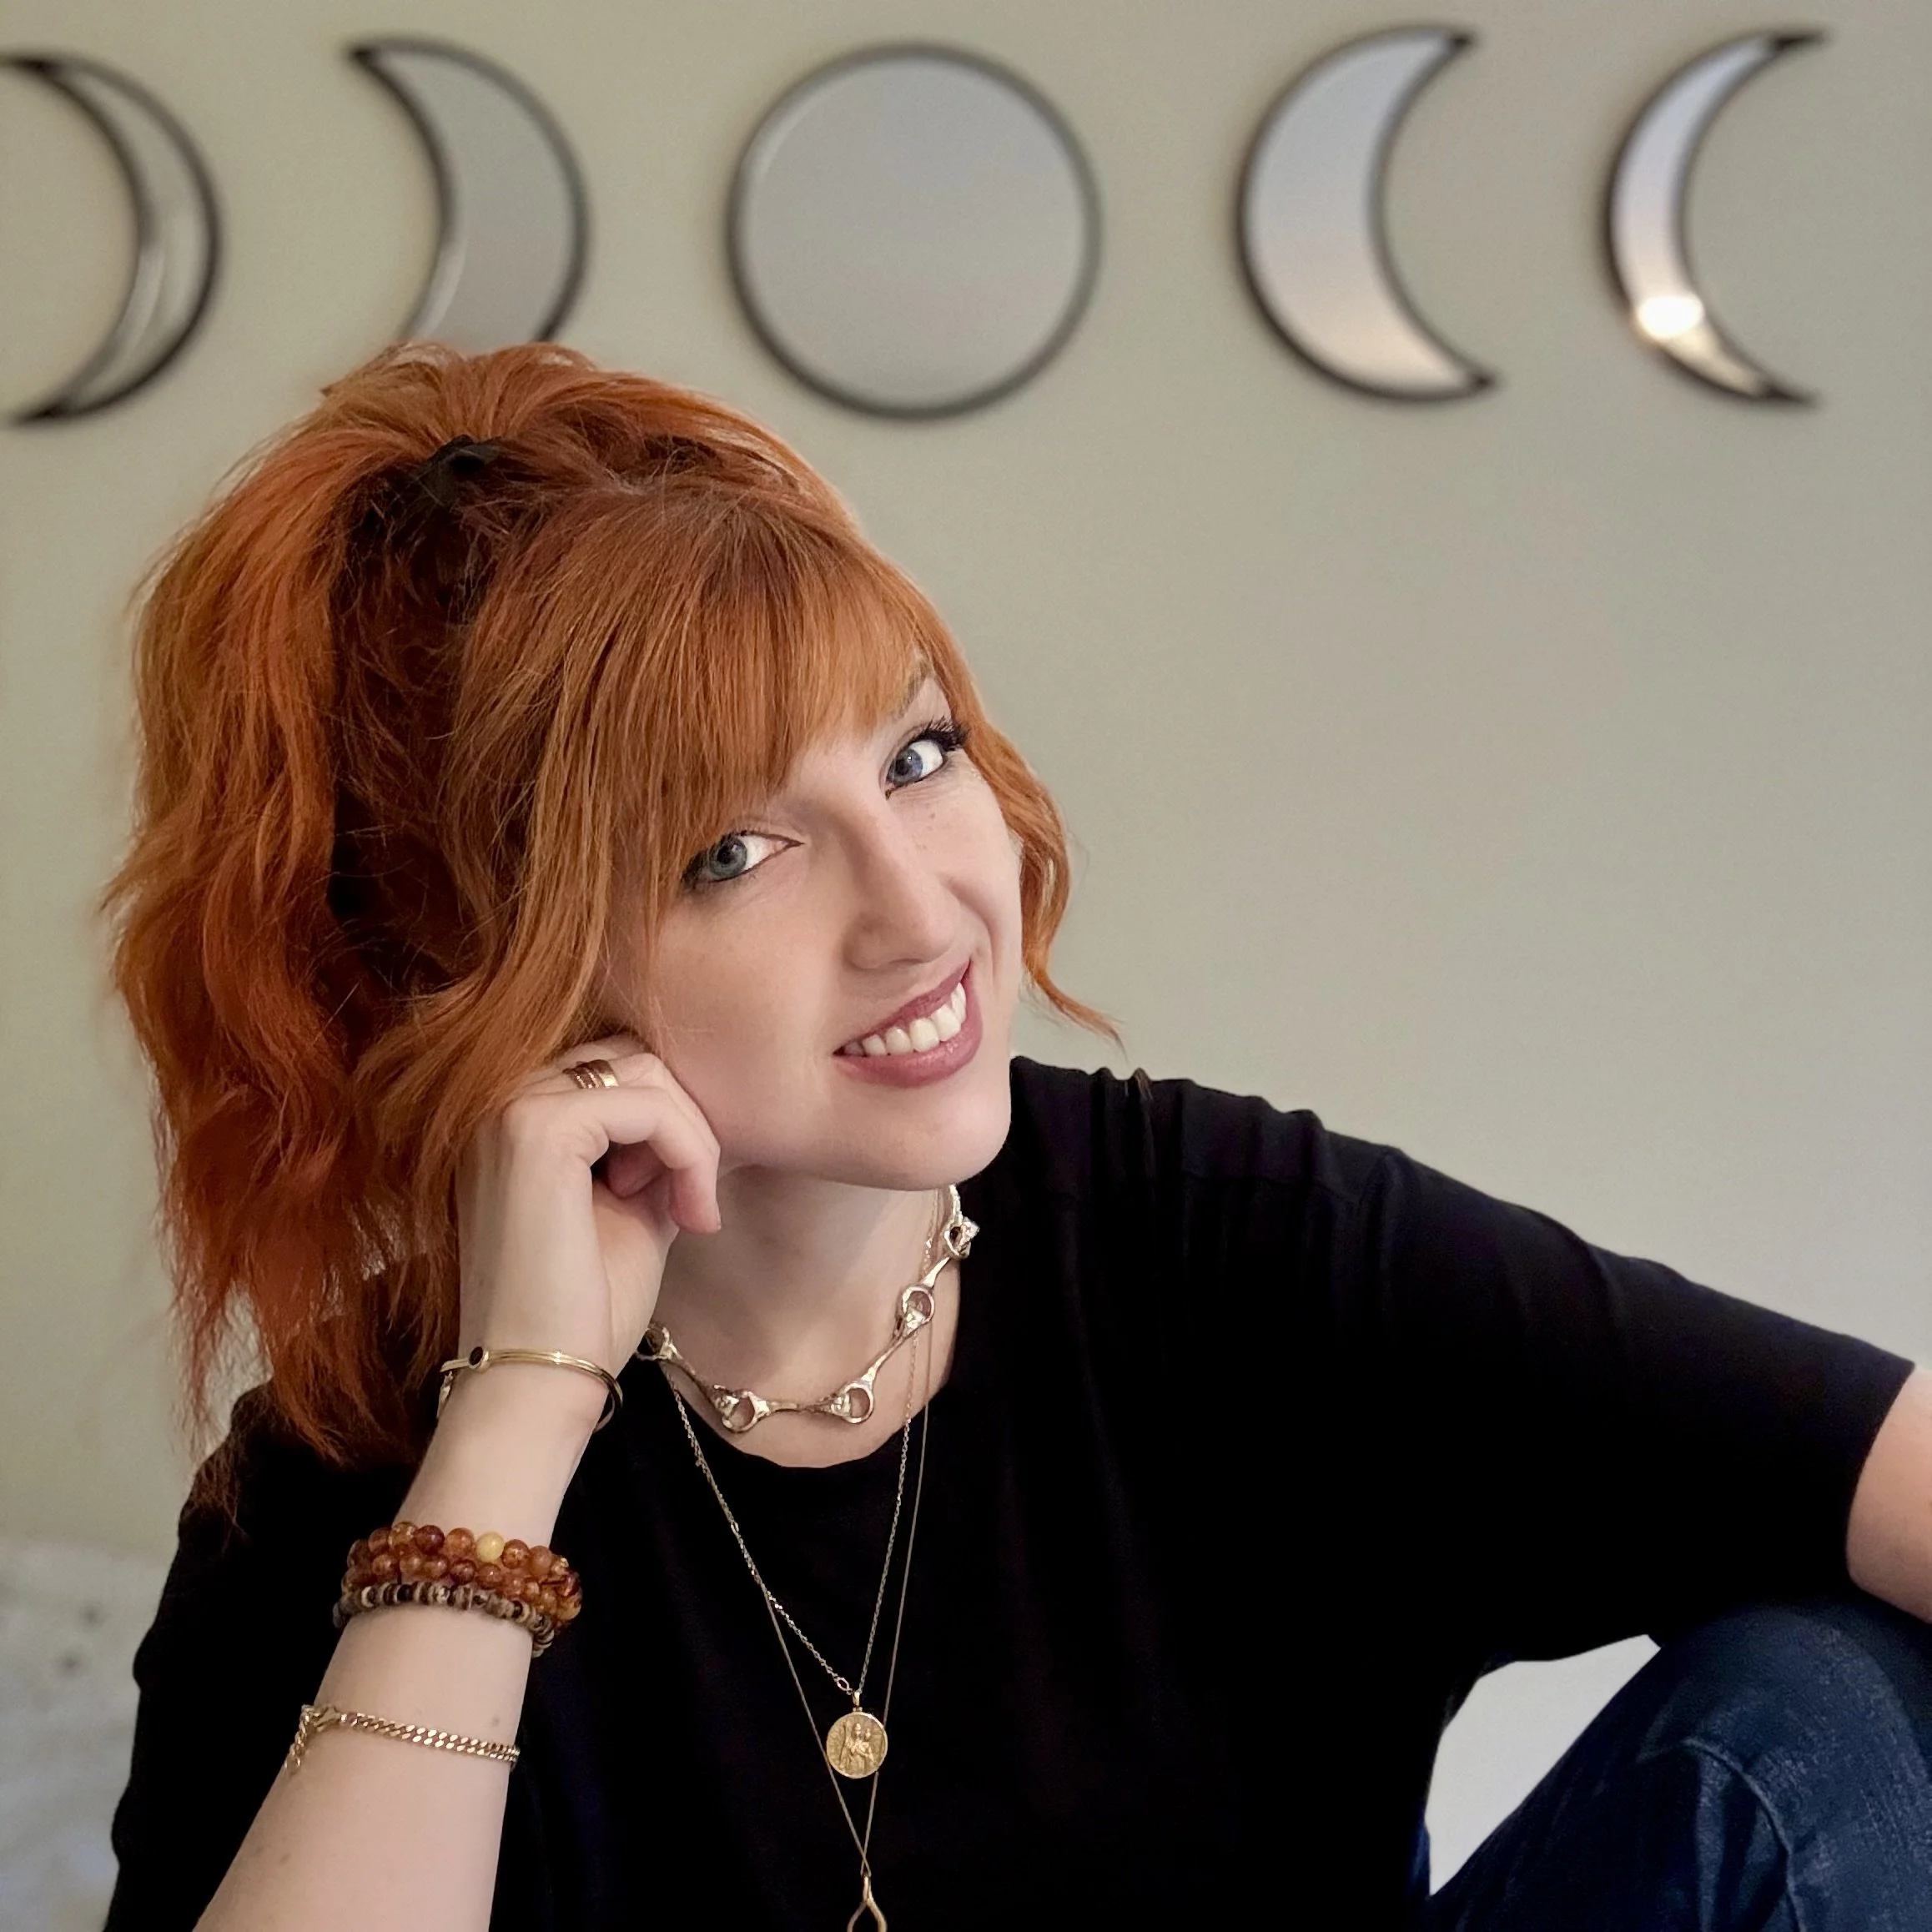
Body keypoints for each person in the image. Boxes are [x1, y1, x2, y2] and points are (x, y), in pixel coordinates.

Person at [98, 342, 1932, 1932]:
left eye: (914, 756)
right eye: (730, 854)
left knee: (1822, 1708)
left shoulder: (1217, 1246)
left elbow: (1878, 1475)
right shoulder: (338, 1482)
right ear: (474, 963)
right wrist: (513, 1419)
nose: (925, 912)